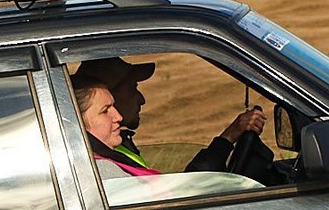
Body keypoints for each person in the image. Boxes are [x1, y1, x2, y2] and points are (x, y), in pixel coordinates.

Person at [73, 55, 285, 185]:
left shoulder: (116, 147)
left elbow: (181, 189)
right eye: (133, 88)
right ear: (109, 95)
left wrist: (229, 137)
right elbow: (179, 196)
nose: (142, 99)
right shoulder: (104, 170)